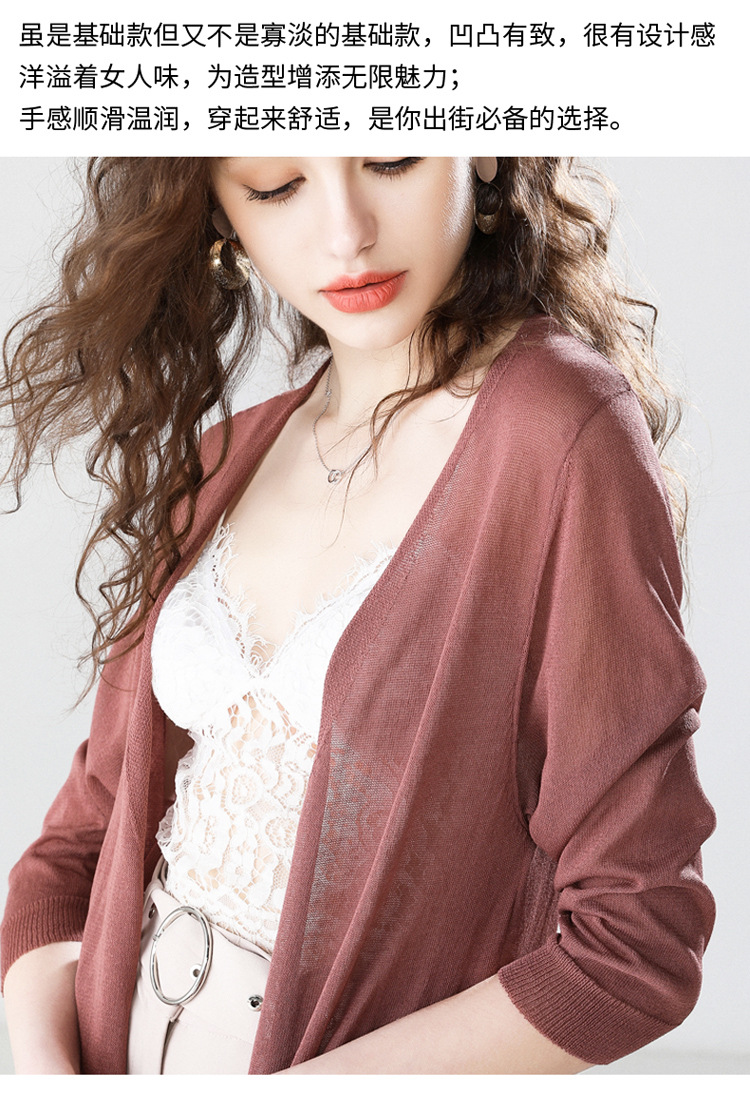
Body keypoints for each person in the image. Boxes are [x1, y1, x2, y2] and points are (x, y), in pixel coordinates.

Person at [0, 156, 715, 1075]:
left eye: (390, 159)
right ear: (215, 209)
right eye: (275, 186)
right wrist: (49, 1078)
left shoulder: (557, 435)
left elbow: (635, 940)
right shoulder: (225, 458)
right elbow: (74, 851)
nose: (347, 234)